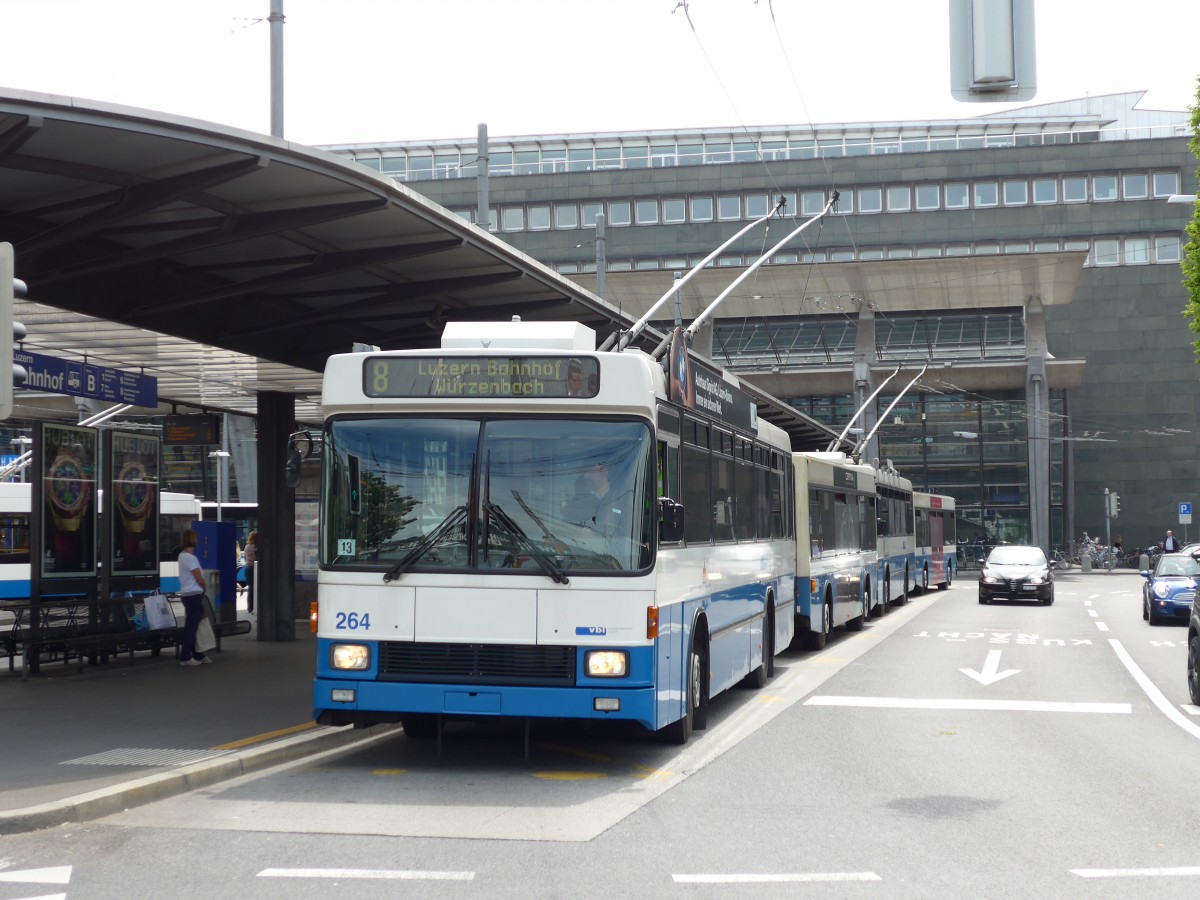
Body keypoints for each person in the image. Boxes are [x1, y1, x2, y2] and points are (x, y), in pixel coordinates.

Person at [177, 528, 211, 666]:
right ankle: (186, 656)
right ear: (193, 540)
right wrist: (204, 588)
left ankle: (198, 654)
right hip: (194, 594)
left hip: (185, 594)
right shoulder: (191, 558)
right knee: (193, 626)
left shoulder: (181, 556)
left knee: (193, 625)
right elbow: (199, 578)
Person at [243, 531, 258, 614]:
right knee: (255, 588)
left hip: (247, 568)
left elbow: (245, 557)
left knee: (250, 588)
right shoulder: (256, 547)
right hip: (254, 568)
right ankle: (255, 606)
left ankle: (249, 607)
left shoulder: (246, 547)